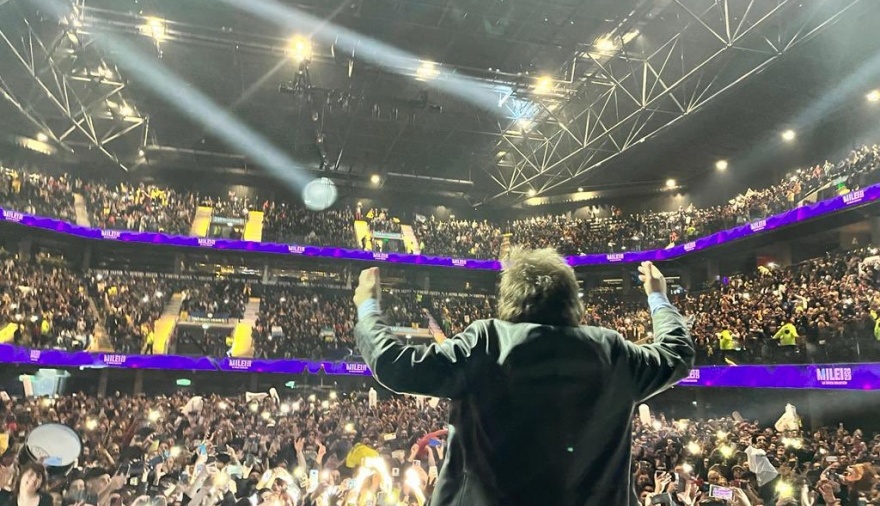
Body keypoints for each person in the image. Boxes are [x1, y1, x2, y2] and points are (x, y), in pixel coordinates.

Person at [353, 248, 695, 506]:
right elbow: (677, 354)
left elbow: (393, 363)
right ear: (572, 301)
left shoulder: (486, 343)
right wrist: (658, 297)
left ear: (510, 300)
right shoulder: (612, 352)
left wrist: (368, 307)